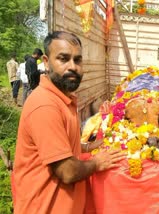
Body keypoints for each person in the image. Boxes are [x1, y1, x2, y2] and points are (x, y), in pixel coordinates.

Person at [13, 31, 126, 213]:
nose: (72, 66)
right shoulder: (45, 105)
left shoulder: (64, 99)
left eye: (77, 60)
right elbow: (67, 171)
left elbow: (61, 142)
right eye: (63, 59)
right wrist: (97, 163)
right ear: (46, 62)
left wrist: (89, 147)